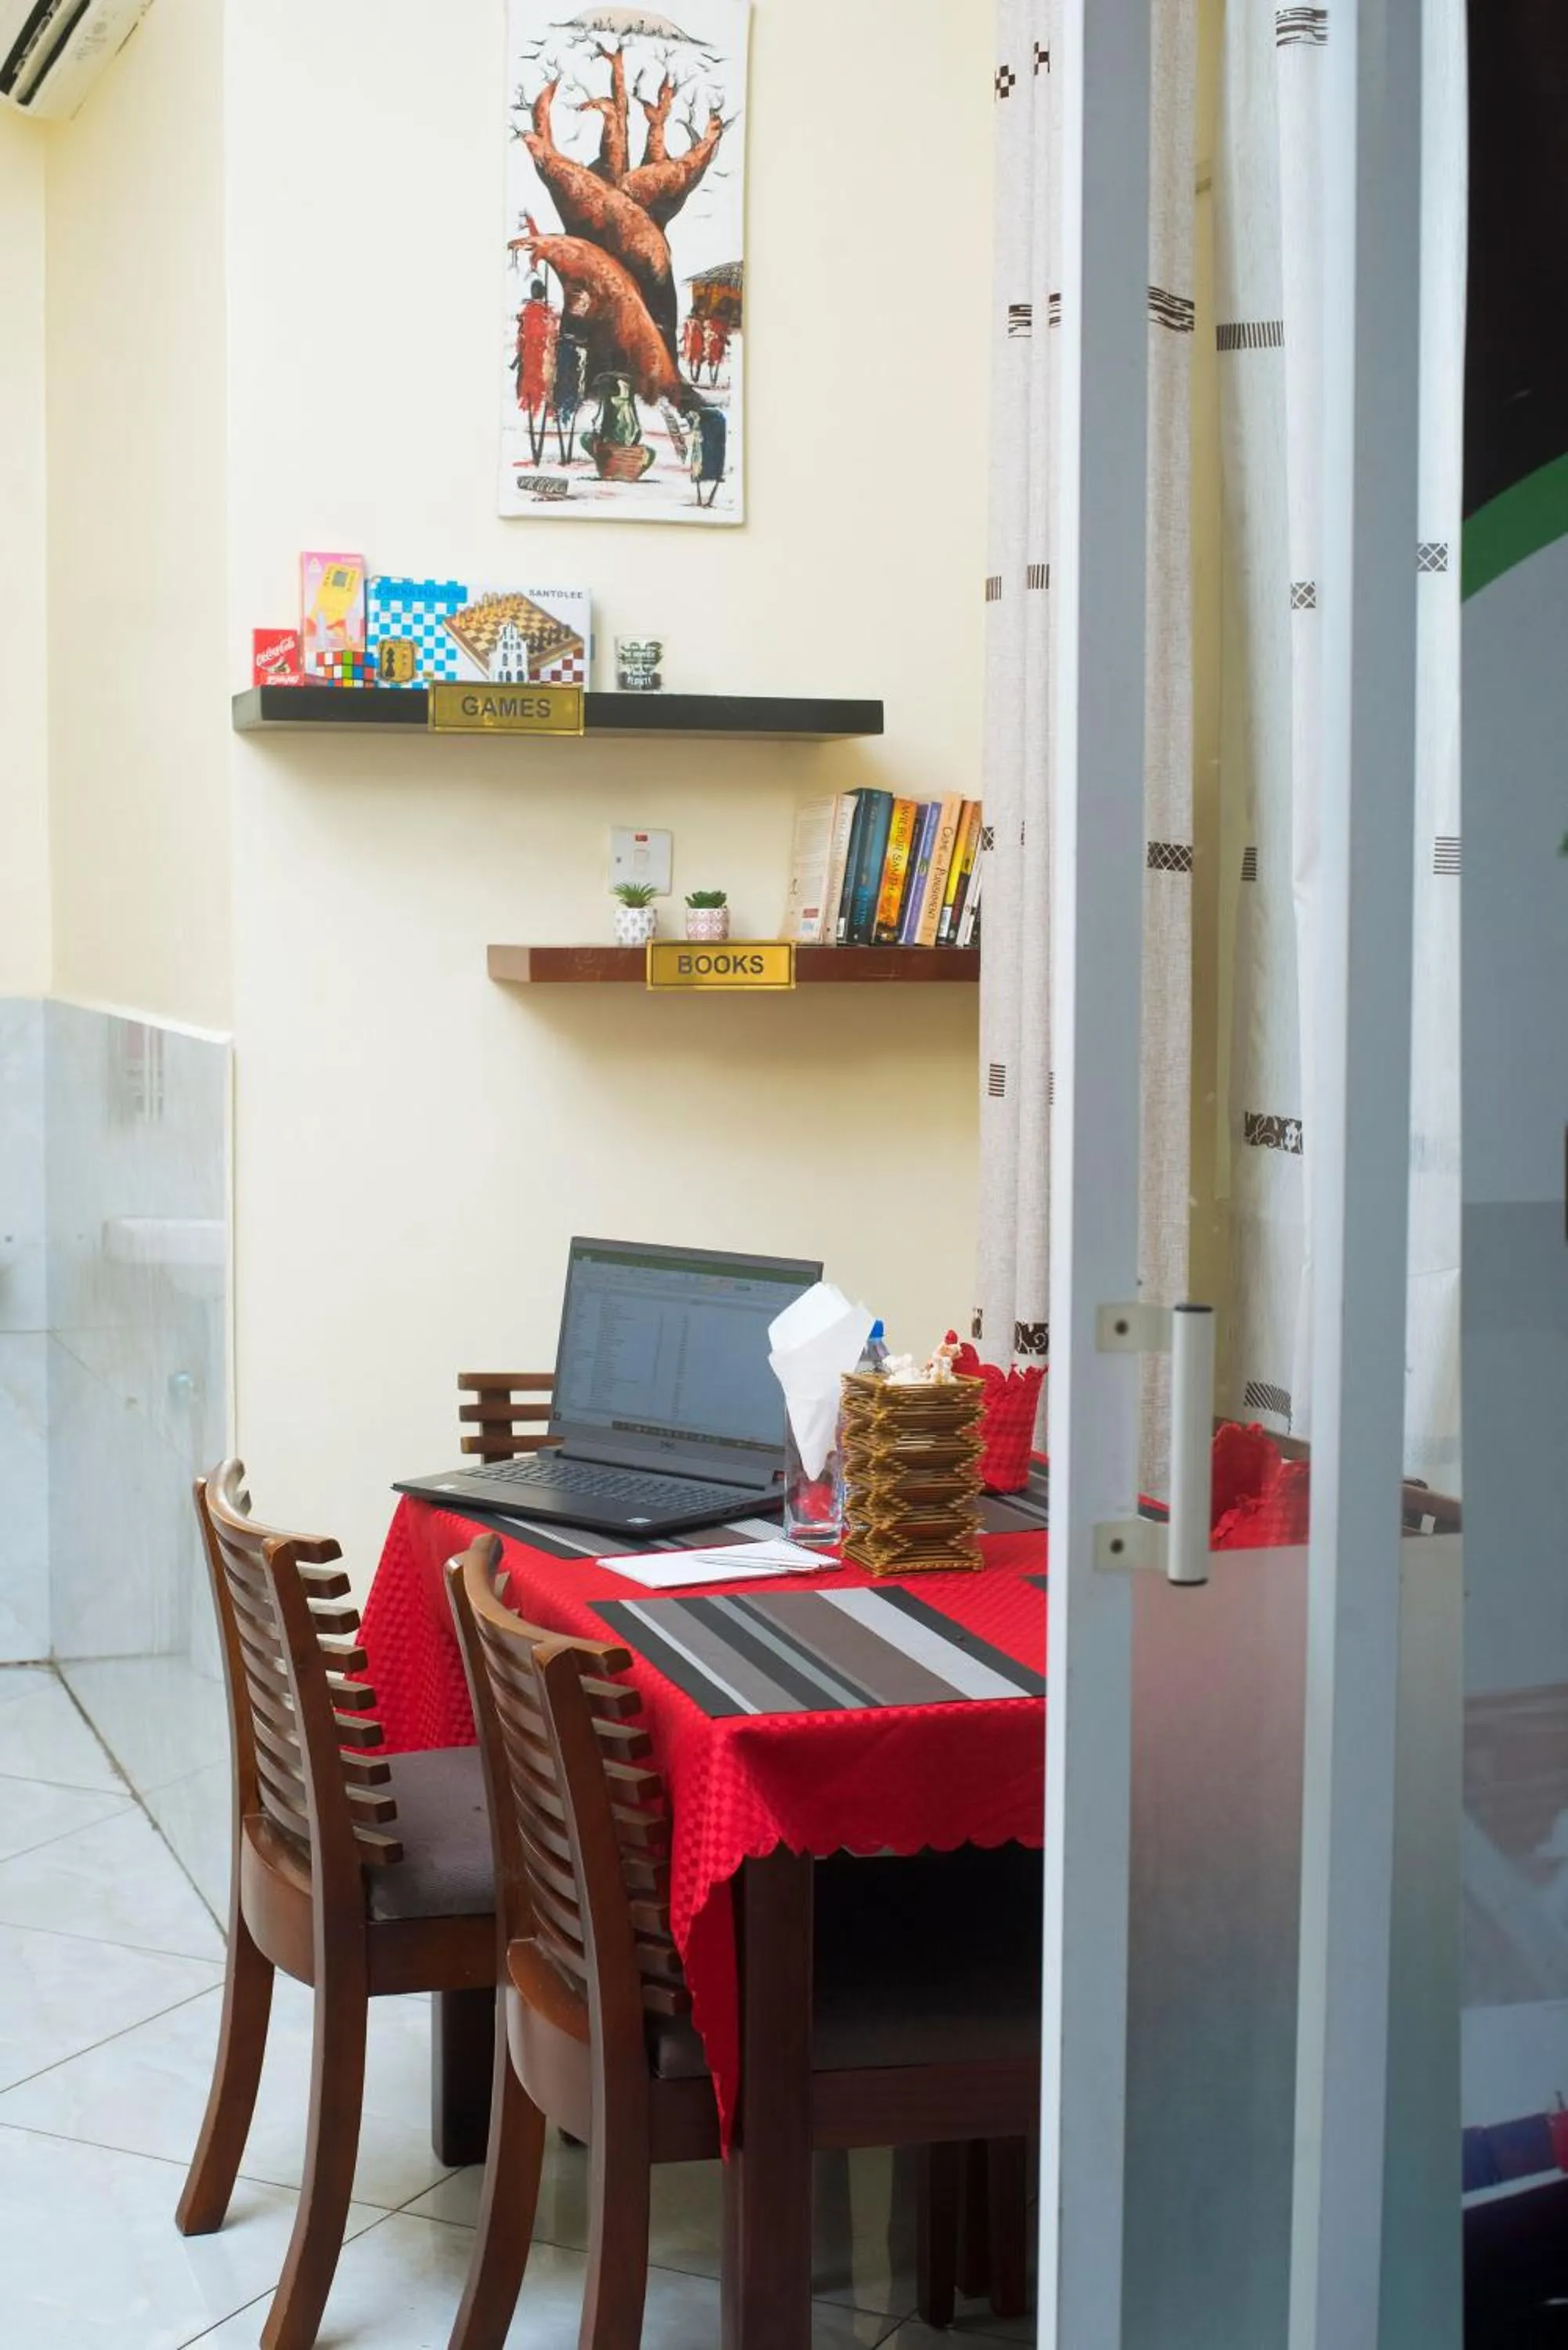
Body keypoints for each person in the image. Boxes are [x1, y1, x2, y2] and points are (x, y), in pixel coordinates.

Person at [512, 278, 558, 465]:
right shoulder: (548, 314)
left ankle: (534, 443)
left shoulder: (526, 313)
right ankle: (537, 445)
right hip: (543, 358)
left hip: (529, 358)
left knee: (529, 393)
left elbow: (520, 340)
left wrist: (519, 356)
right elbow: (552, 337)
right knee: (545, 392)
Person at [551, 288, 591, 463]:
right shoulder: (570, 317)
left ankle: (567, 412)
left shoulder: (583, 320)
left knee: (573, 391)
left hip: (575, 357)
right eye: (583, 303)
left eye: (586, 304)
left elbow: (585, 340)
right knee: (565, 387)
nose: (585, 306)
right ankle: (562, 412)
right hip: (568, 357)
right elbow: (563, 337)